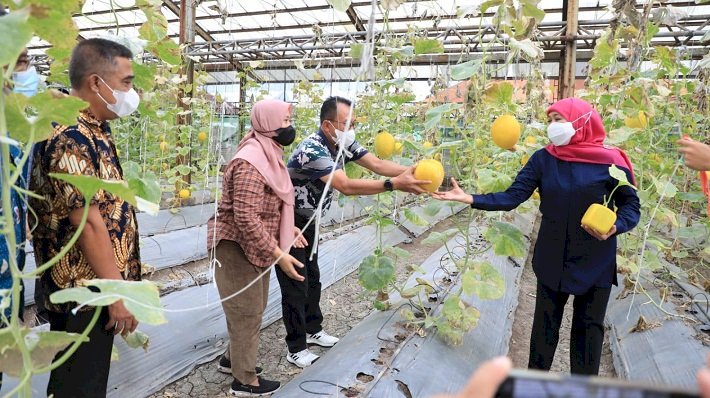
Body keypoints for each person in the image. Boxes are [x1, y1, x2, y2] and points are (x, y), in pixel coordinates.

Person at [433, 97, 641, 376]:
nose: (553, 126)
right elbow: (512, 196)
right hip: (552, 255)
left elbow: (631, 205)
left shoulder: (611, 162)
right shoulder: (544, 159)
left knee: (588, 330)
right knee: (545, 327)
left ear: (582, 122)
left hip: (596, 258)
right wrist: (470, 198)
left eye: (559, 119)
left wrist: (616, 225)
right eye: (550, 120)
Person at [281, 96, 430, 367]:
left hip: (309, 221)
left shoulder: (341, 144)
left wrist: (415, 172)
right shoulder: (313, 150)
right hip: (287, 222)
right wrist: (395, 184)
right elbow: (346, 185)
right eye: (347, 123)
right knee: (296, 283)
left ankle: (313, 330)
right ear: (328, 125)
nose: (352, 129)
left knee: (312, 277)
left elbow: (377, 164)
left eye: (355, 123)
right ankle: (296, 347)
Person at [28, 38, 141, 398]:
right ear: (96, 82)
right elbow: (88, 222)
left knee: (82, 380)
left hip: (95, 286)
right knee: (80, 384)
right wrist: (116, 294)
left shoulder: (95, 128)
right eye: (126, 82)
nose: (131, 91)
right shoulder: (71, 134)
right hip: (84, 289)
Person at [207, 99, 307, 396]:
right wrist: (280, 254)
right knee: (247, 311)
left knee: (249, 307)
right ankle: (244, 380)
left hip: (253, 243)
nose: (290, 127)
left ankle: (231, 359)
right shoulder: (251, 161)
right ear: (268, 123)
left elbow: (267, 207)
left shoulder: (268, 153)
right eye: (286, 121)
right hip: (235, 244)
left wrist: (288, 229)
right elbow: (246, 217)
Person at [0, 28, 41, 389]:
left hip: (8, 278)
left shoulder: (18, 132)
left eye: (25, 61)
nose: (22, 73)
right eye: (14, 62)